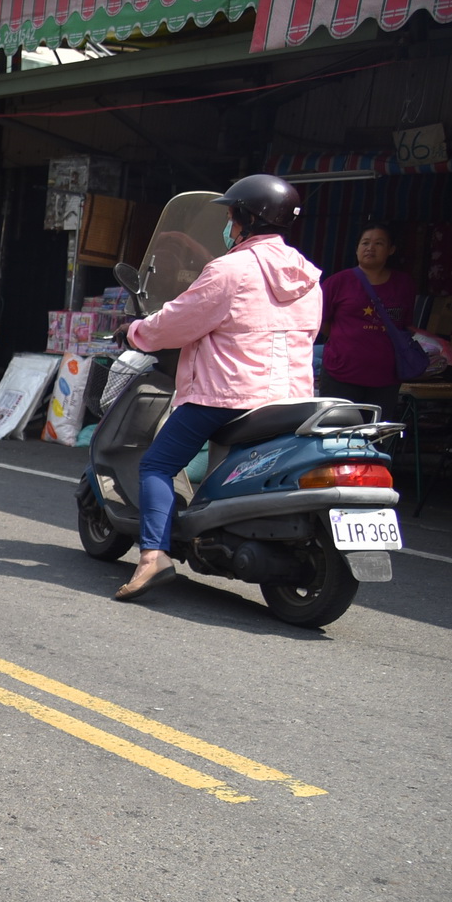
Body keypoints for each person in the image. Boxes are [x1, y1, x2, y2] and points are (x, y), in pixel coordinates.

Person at [115, 174, 321, 601]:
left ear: (246, 218)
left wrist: (134, 330)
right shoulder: (307, 275)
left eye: (231, 215)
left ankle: (153, 557)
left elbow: (176, 321)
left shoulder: (230, 270)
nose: (228, 223)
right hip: (291, 399)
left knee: (156, 465)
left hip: (227, 395)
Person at [315, 222, 415, 425]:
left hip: (385, 378)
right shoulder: (338, 282)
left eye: (379, 243)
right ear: (357, 248)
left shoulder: (404, 284)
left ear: (391, 250)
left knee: (375, 438)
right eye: (365, 243)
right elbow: (321, 322)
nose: (370, 248)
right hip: (340, 374)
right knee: (336, 436)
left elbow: (405, 325)